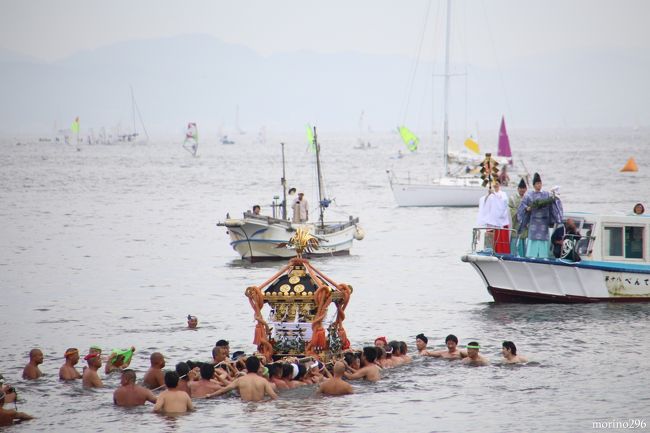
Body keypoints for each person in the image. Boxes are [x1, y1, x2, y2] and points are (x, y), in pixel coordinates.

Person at [517, 172, 563, 258]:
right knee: (533, 240)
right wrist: (527, 208)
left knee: (543, 240)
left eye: (540, 183)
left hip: (543, 222)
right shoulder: (529, 195)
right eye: (537, 183)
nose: (539, 185)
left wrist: (555, 198)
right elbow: (522, 205)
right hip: (534, 221)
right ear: (534, 185)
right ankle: (531, 255)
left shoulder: (546, 194)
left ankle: (543, 256)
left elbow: (554, 202)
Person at [207, 356, 277, 402]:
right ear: (258, 367)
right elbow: (274, 397)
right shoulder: (263, 381)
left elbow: (223, 390)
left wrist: (210, 395)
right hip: (258, 409)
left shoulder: (240, 380)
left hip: (245, 410)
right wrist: (264, 402)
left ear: (246, 367)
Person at [477, 180, 510, 253]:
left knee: (500, 241)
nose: (495, 185)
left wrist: (494, 194)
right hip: (491, 222)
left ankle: (502, 252)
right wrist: (488, 195)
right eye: (494, 184)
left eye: (497, 183)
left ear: (499, 184)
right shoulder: (489, 195)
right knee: (490, 239)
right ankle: (489, 251)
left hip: (500, 222)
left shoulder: (503, 194)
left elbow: (503, 204)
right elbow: (484, 205)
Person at [508, 178, 528, 256]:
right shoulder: (512, 198)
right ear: (518, 189)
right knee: (514, 240)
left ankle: (523, 256)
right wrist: (519, 212)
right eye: (521, 188)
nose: (522, 190)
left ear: (526, 189)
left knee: (523, 241)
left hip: (524, 224)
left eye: (524, 188)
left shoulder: (528, 198)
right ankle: (513, 255)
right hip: (515, 223)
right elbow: (510, 209)